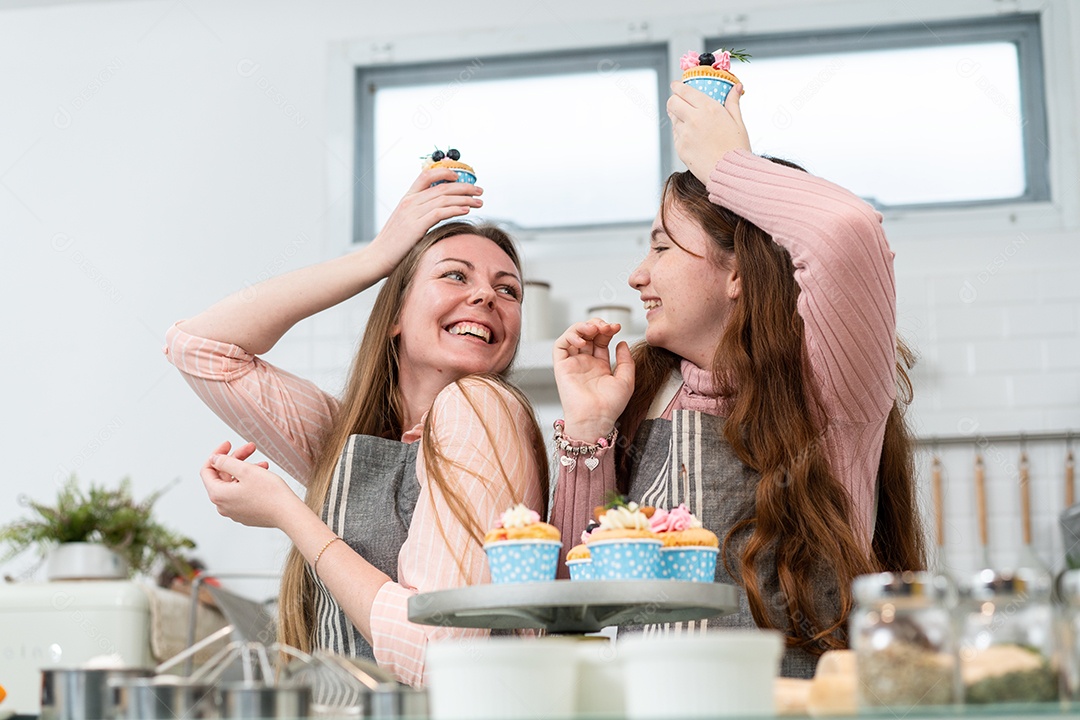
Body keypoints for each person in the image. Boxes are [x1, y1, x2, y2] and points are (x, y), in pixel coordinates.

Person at [550, 81, 926, 678]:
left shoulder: (832, 388)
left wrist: (729, 166)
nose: (636, 276)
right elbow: (574, 595)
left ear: (739, 273)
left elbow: (848, 229)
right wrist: (589, 428)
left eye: (662, 248)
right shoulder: (647, 395)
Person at [164, 166, 548, 686]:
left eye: (509, 291)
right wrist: (374, 258)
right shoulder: (350, 440)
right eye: (456, 275)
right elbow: (199, 347)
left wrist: (287, 513)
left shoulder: (480, 406)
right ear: (395, 314)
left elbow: (435, 653)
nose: (486, 296)